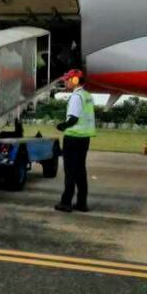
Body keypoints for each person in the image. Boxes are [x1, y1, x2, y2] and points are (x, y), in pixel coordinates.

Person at [55, 69, 96, 213]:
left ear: (75, 81)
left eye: (68, 79)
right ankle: (81, 203)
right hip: (84, 138)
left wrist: (61, 126)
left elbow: (73, 118)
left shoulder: (76, 97)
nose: (65, 82)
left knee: (70, 172)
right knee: (80, 171)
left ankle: (66, 203)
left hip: (73, 138)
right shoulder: (87, 96)